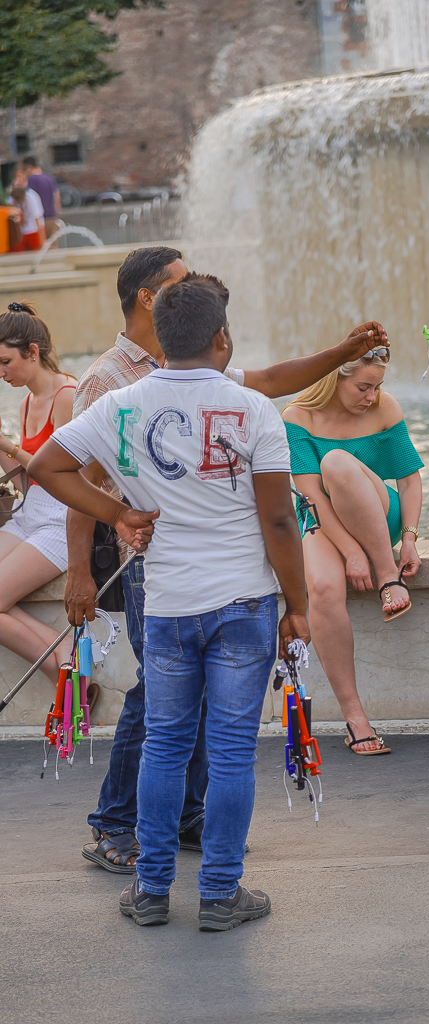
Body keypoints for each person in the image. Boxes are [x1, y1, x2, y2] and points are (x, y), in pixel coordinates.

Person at [64, 244, 389, 873]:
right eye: (183, 284)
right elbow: (79, 473)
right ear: (153, 300)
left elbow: (270, 380)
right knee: (157, 704)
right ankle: (115, 826)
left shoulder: (195, 369)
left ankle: (183, 826)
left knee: (196, 708)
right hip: (149, 561)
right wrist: (88, 558)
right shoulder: (111, 378)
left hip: (202, 574)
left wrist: (340, 355)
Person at [31, 272, 310, 929]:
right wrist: (296, 605)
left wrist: (120, 513)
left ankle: (151, 890)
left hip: (167, 605)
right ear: (221, 337)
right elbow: (278, 522)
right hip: (244, 604)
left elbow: (46, 466)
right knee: (233, 750)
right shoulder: (252, 408)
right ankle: (219, 894)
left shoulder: (123, 404)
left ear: (161, 334)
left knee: (163, 745)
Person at [282, 351, 423, 754]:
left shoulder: (385, 408)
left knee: (339, 463)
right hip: (322, 518)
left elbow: (410, 482)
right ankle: (356, 717)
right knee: (324, 587)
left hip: (378, 516)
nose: (372, 396)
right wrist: (348, 551)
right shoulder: (296, 417)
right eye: (363, 387)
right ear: (333, 380)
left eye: (377, 386)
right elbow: (310, 497)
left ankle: (386, 574)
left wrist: (409, 539)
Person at [0, 302, 77, 692]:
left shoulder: (68, 395)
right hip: (32, 511)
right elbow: (24, 479)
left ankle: (61, 662)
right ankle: (61, 650)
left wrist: (8, 445)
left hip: (63, 518)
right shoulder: (27, 400)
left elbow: (60, 472)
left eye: (6, 361)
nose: (1, 373)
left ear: (32, 351)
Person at [22, 157, 61, 238]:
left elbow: (28, 198)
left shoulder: (32, 179)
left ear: (28, 167)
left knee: (42, 246)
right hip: (52, 216)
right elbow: (57, 195)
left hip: (40, 219)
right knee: (53, 245)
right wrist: (57, 213)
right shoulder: (49, 177)